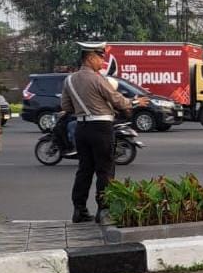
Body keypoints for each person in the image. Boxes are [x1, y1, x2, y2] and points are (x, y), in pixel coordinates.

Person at [60, 45, 147, 223]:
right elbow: (116, 100)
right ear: (90, 58)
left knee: (84, 170)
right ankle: (103, 210)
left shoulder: (69, 80)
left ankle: (79, 210)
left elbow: (66, 106)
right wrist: (135, 102)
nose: (102, 62)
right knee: (105, 170)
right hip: (101, 128)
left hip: (81, 128)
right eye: (100, 58)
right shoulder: (97, 79)